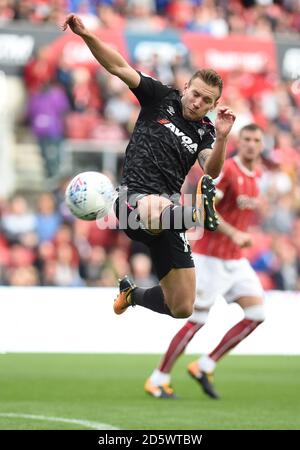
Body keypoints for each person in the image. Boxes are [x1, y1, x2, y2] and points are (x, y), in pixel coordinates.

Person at [63, 14, 236, 319]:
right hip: (133, 202)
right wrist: (86, 35)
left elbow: (211, 170)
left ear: (212, 105)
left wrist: (222, 137)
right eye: (195, 93)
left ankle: (132, 294)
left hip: (169, 214)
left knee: (181, 306)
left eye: (205, 100)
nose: (197, 102)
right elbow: (118, 66)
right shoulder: (159, 97)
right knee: (157, 206)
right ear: (186, 87)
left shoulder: (207, 132)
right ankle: (197, 213)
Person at [145, 124, 266, 399]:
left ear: (262, 145)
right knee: (196, 320)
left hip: (235, 261)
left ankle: (205, 364)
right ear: (240, 141)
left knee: (257, 314)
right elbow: (205, 211)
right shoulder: (229, 172)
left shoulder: (258, 174)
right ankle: (158, 377)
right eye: (246, 139)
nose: (250, 144)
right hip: (210, 257)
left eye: (256, 140)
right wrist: (234, 232)